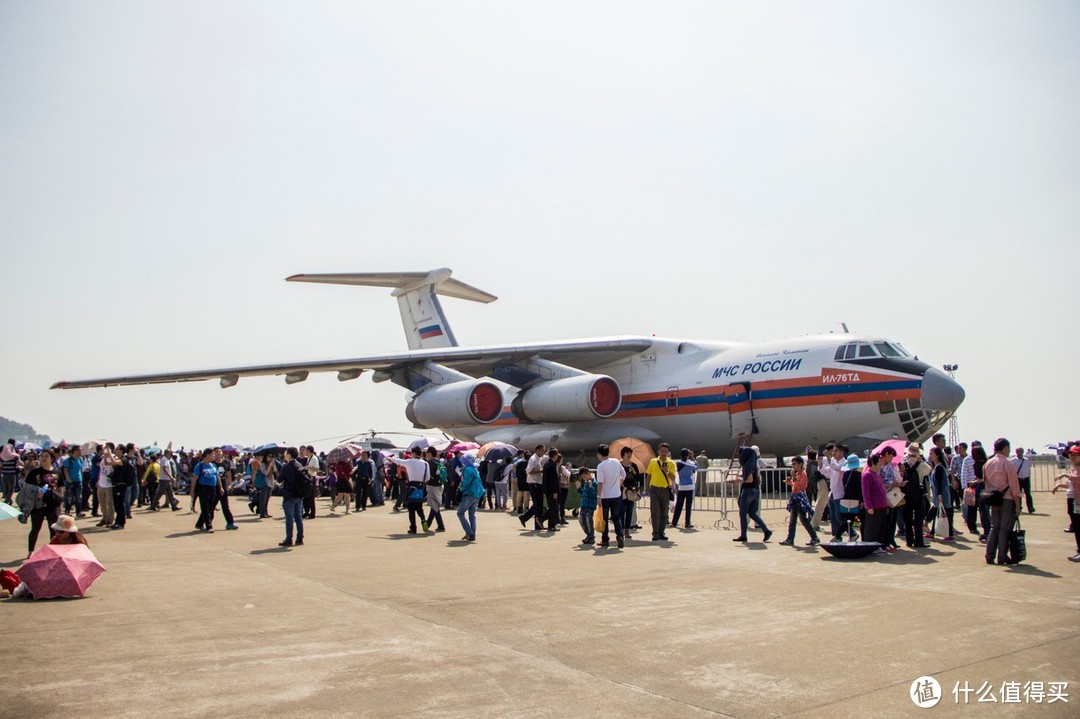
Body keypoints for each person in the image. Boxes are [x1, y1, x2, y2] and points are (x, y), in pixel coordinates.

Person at [17, 449, 64, 557]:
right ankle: (30, 552)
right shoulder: (35, 472)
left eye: (46, 456)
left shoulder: (57, 472)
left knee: (53, 529)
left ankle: (54, 551)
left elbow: (61, 490)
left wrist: (59, 503)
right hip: (37, 506)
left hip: (52, 505)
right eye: (42, 456)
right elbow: (25, 488)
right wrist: (34, 492)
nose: (43, 458)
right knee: (35, 529)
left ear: (52, 458)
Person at [983, 438, 1022, 566]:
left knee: (994, 527)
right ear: (1005, 448)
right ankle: (1002, 556)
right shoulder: (1008, 464)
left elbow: (986, 483)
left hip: (994, 499)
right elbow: (1015, 487)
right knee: (1005, 529)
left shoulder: (987, 463)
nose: (1009, 451)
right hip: (1007, 500)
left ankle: (989, 555)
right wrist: (1018, 506)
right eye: (1009, 448)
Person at [733, 445, 772, 543]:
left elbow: (749, 480)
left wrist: (739, 480)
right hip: (756, 491)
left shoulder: (747, 465)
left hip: (748, 491)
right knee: (753, 513)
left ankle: (743, 535)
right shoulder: (755, 464)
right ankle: (766, 530)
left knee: (743, 514)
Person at [390, 448, 433, 534]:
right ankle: (423, 520)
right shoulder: (425, 463)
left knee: (411, 509)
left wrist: (391, 458)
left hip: (411, 486)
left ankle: (413, 528)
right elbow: (428, 477)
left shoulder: (409, 461)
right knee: (419, 507)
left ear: (413, 453)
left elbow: (398, 461)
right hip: (421, 487)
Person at [779, 456, 819, 547]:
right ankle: (791, 539)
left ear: (800, 464)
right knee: (795, 520)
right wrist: (791, 482)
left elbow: (800, 486)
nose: (793, 466)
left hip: (799, 499)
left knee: (802, 519)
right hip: (795, 498)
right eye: (792, 464)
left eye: (795, 464)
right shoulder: (797, 474)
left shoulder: (803, 474)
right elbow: (795, 485)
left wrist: (793, 478)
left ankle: (813, 537)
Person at [1051, 444, 1080, 561]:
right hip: (1072, 499)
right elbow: (1071, 484)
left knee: (1078, 526)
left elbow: (1077, 479)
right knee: (1076, 525)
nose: (1072, 457)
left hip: (1077, 500)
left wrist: (1064, 474)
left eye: (1075, 455)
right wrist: (1059, 485)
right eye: (1071, 455)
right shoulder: (1073, 468)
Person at [859, 453, 891, 553]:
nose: (880, 464)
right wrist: (869, 506)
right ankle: (870, 547)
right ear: (873, 463)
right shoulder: (867, 475)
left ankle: (878, 546)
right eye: (879, 462)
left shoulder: (876, 474)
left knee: (880, 528)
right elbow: (866, 492)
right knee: (872, 528)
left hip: (882, 506)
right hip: (874, 506)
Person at [595, 444, 625, 549]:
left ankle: (605, 539)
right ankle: (620, 535)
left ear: (599, 454)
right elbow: (623, 474)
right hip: (616, 494)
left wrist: (598, 496)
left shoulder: (601, 466)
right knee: (616, 517)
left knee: (604, 518)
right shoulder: (616, 462)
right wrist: (619, 484)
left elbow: (600, 482)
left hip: (605, 495)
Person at [899, 445, 929, 548]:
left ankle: (909, 540)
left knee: (907, 519)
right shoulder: (921, 465)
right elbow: (929, 470)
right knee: (918, 519)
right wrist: (921, 460)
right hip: (918, 494)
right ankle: (919, 541)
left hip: (906, 494)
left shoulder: (903, 465)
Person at [646, 443, 676, 542]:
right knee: (654, 512)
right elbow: (649, 475)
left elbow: (673, 477)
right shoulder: (653, 461)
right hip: (654, 489)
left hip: (665, 490)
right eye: (662, 451)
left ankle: (661, 532)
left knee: (664, 512)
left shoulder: (671, 463)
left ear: (668, 453)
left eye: (665, 451)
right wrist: (646, 488)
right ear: (658, 451)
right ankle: (655, 533)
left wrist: (666, 471)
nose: (663, 453)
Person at [277, 447, 306, 547]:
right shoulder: (299, 465)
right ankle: (300, 538)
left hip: (289, 495)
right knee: (298, 517)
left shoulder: (286, 466)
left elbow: (279, 479)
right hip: (299, 494)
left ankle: (289, 538)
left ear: (289, 455)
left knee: (289, 518)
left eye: (286, 453)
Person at [926, 447, 955, 541]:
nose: (930, 456)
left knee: (944, 515)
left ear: (937, 456)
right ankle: (933, 532)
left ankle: (948, 534)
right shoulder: (937, 467)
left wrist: (939, 495)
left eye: (932, 454)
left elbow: (938, 483)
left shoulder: (939, 468)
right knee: (940, 514)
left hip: (941, 495)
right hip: (939, 495)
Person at [190, 449, 222, 533]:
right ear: (207, 455)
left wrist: (221, 487)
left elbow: (217, 477)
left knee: (210, 507)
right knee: (205, 507)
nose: (214, 456)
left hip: (213, 488)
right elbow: (195, 478)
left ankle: (199, 524)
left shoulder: (213, 466)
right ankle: (209, 526)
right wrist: (192, 490)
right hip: (203, 488)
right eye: (213, 454)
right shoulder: (200, 465)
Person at [518, 445, 547, 531]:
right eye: (542, 451)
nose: (543, 453)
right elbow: (528, 471)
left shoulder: (539, 459)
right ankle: (536, 524)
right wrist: (540, 471)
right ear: (537, 450)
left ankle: (525, 517)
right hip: (533, 483)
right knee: (538, 504)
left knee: (538, 504)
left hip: (538, 482)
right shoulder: (533, 459)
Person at [456, 454, 484, 541]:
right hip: (477, 494)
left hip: (469, 493)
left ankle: (469, 532)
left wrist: (461, 488)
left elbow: (466, 482)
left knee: (460, 513)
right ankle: (472, 535)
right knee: (472, 516)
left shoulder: (467, 469)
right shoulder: (475, 469)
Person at [671, 448, 698, 529]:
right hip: (690, 487)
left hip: (681, 486)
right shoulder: (690, 463)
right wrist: (693, 457)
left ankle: (674, 522)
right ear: (688, 454)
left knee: (679, 505)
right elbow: (697, 468)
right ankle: (687, 523)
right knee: (688, 506)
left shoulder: (678, 463)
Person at [620, 447, 642, 538]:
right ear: (623, 455)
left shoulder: (634, 465)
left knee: (629, 511)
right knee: (621, 511)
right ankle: (620, 530)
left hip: (631, 491)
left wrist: (633, 472)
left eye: (630, 453)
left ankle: (627, 531)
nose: (629, 455)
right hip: (621, 490)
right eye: (627, 453)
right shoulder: (619, 465)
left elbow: (638, 479)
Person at [423, 447, 446, 532]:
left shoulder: (429, 463)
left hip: (432, 486)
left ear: (429, 453)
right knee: (435, 505)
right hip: (440, 485)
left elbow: (427, 476)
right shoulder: (439, 462)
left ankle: (429, 524)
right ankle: (439, 525)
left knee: (434, 505)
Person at [61, 446, 85, 517]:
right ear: (75, 451)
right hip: (70, 482)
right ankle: (67, 511)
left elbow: (80, 469)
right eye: (79, 450)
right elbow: (65, 471)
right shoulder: (68, 460)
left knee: (79, 497)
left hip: (79, 481)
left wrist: (81, 478)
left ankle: (79, 511)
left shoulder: (80, 459)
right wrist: (69, 479)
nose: (80, 452)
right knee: (69, 497)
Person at [1011, 447, 1035, 514]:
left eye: (1021, 451)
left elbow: (1028, 470)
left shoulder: (1026, 460)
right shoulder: (1012, 461)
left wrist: (1029, 477)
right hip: (1018, 479)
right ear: (1016, 452)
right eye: (1018, 451)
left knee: (1028, 494)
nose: (1020, 453)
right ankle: (1019, 507)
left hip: (1026, 479)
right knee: (1019, 494)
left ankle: (1030, 508)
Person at [576, 467, 597, 545]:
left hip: (589, 506)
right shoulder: (586, 483)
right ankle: (589, 535)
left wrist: (591, 487)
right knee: (582, 520)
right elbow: (584, 494)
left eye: (584, 476)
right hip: (584, 505)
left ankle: (591, 536)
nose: (584, 479)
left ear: (589, 474)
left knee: (588, 521)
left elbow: (594, 494)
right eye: (582, 477)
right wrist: (579, 489)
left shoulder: (593, 482)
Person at [96, 444, 116, 528]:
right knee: (102, 502)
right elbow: (101, 469)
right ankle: (104, 518)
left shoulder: (113, 458)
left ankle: (110, 519)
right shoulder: (102, 458)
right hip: (101, 483)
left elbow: (109, 463)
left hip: (109, 484)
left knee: (109, 503)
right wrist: (98, 480)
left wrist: (109, 454)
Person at [1, 439, 21, 505]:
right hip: (11, 474)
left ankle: (9, 500)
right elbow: (18, 464)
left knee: (5, 488)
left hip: (4, 474)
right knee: (11, 489)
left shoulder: (2, 457)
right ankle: (6, 501)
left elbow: (1, 465)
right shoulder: (15, 456)